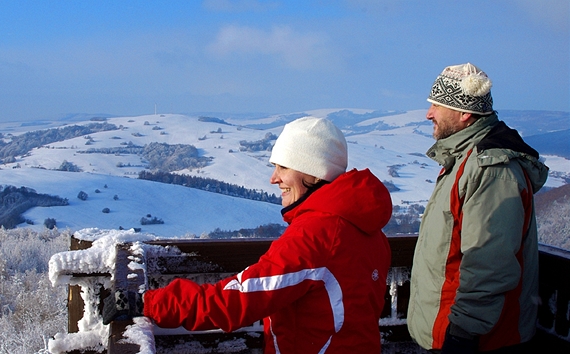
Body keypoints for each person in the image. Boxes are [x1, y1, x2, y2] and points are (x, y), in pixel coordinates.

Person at [103, 117, 393, 353]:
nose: (273, 178)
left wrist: (147, 303)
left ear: (314, 173)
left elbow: (237, 300)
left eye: (283, 167)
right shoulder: (367, 229)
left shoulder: (318, 235)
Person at [407, 63, 549, 353]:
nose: (428, 113)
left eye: (437, 105)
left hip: (479, 340)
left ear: (464, 114)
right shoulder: (464, 158)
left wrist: (462, 334)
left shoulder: (492, 169)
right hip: (456, 332)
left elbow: (490, 261)